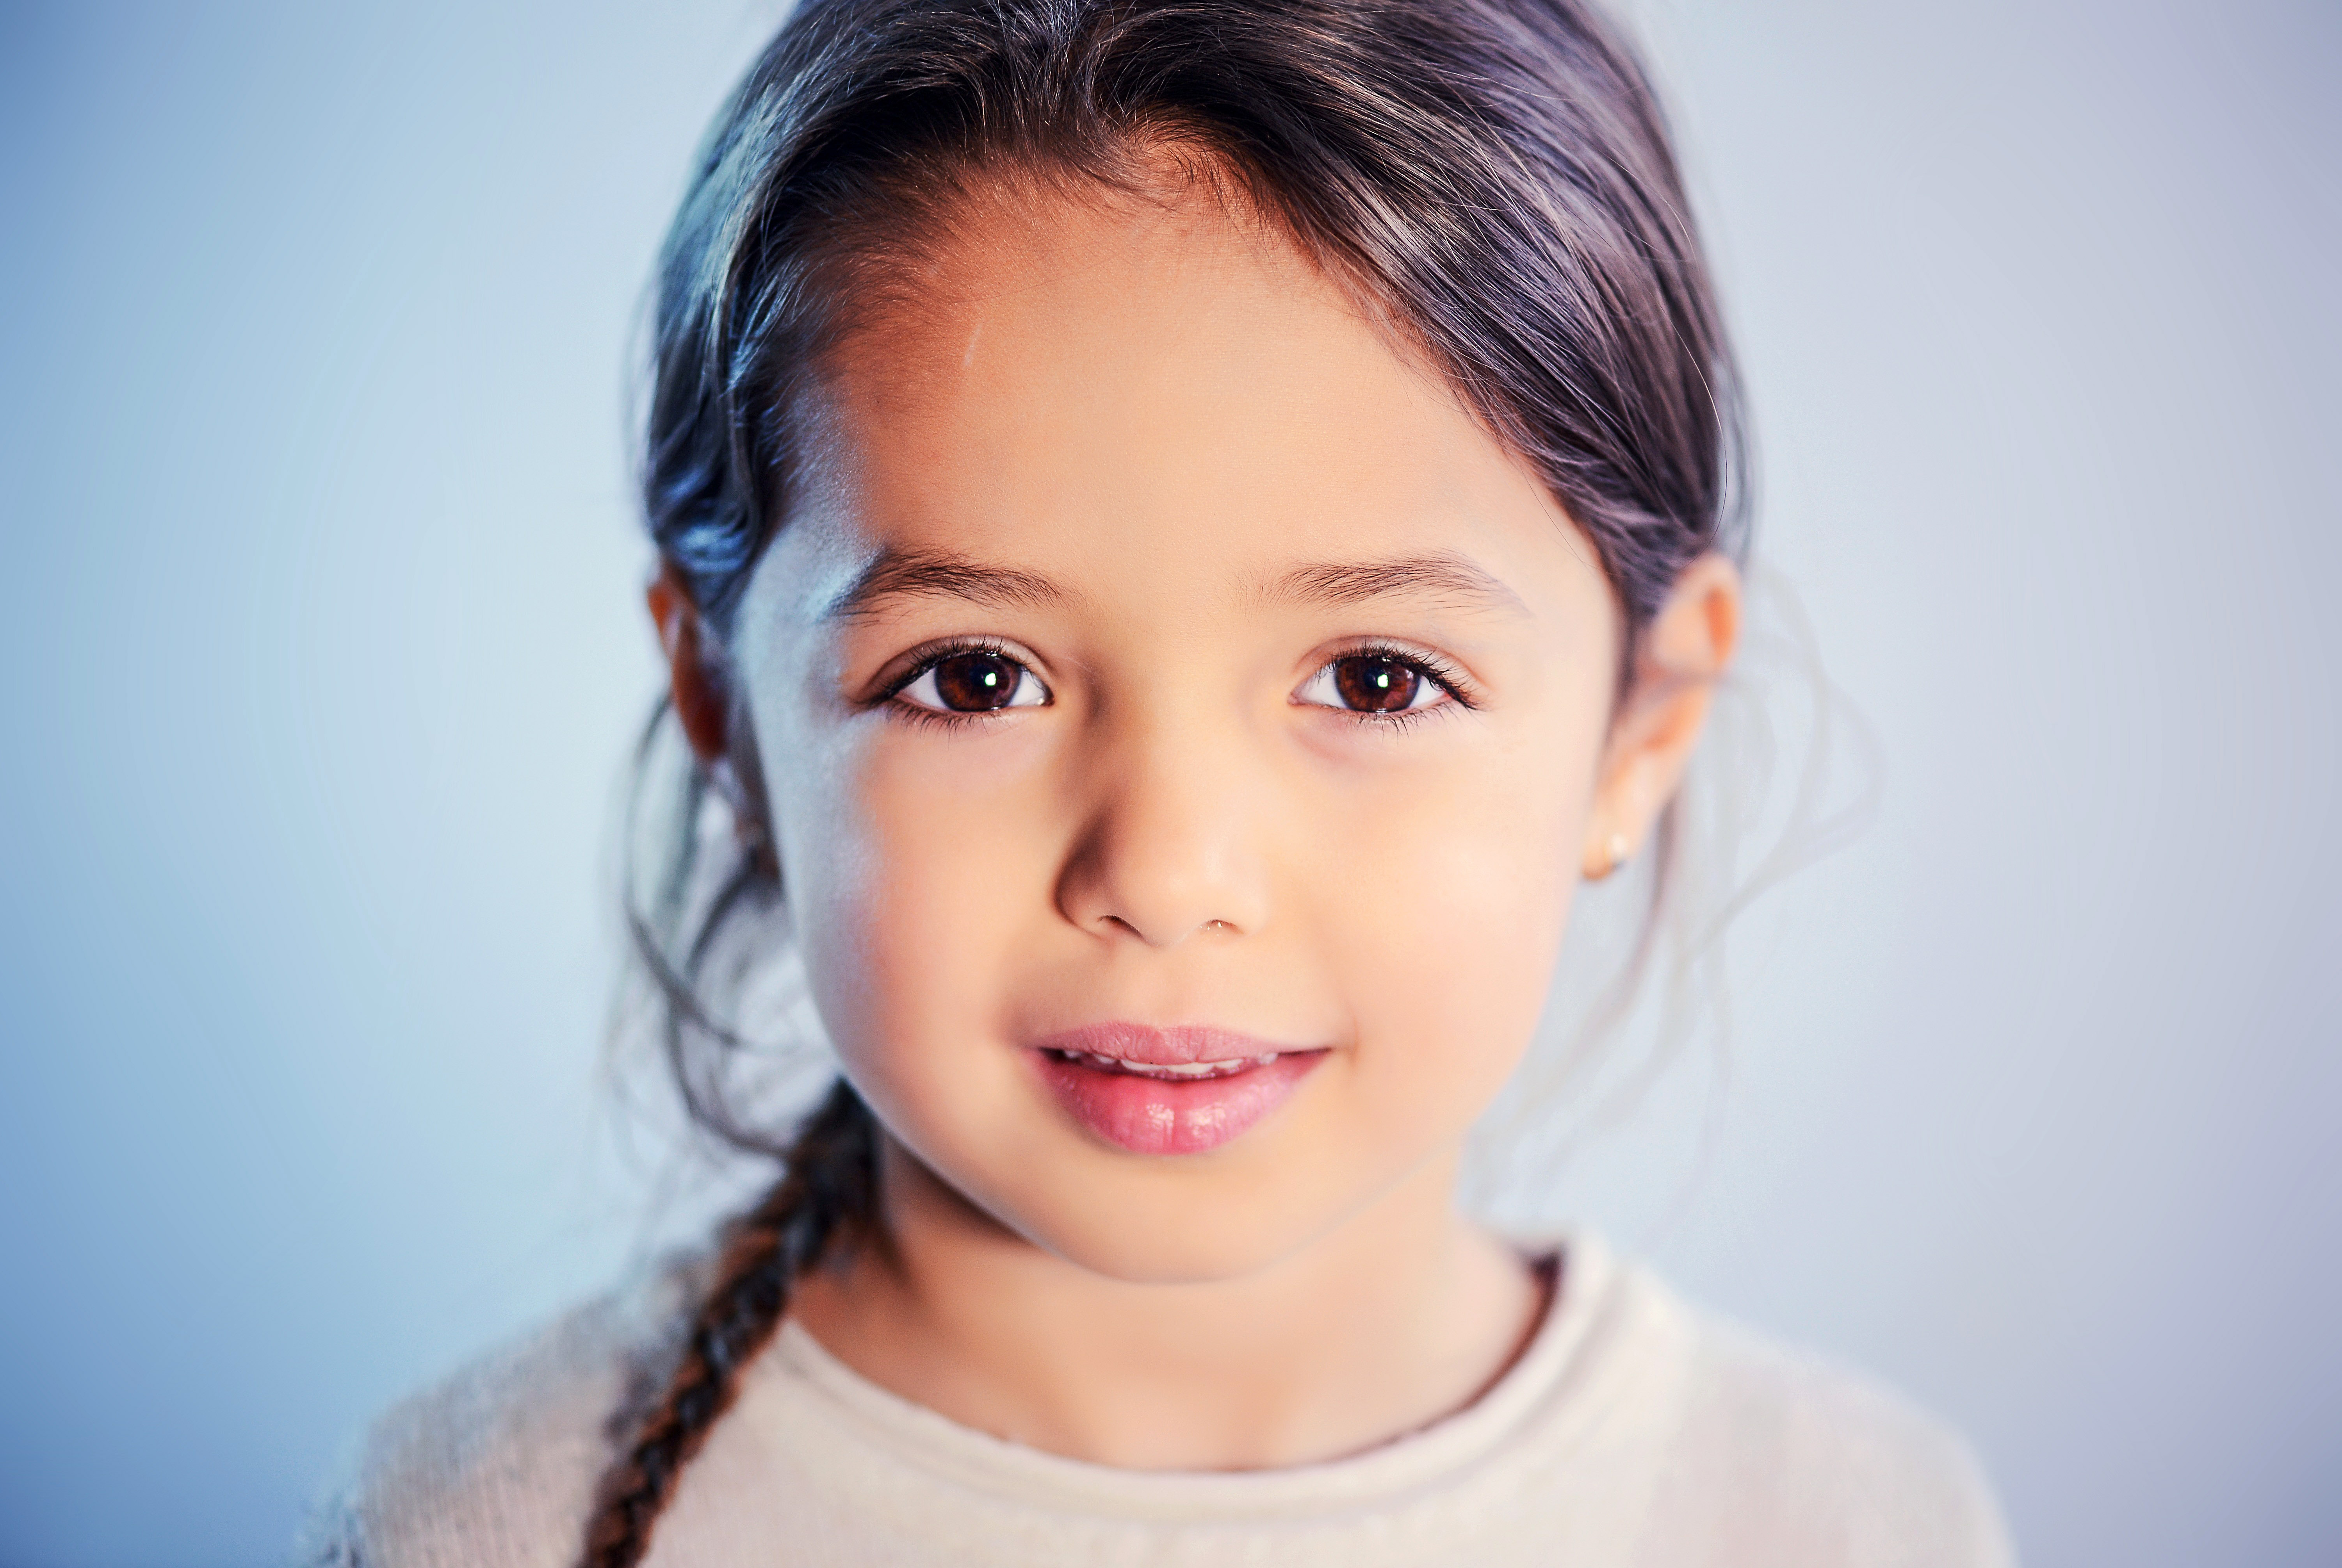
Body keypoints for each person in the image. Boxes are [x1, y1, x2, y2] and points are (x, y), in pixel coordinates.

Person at [315, 1, 2013, 1562]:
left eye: (1375, 677)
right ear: (722, 704)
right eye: (976, 677)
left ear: (1640, 722)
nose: (1168, 868)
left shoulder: (1839, 1519)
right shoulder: (483, 1521)